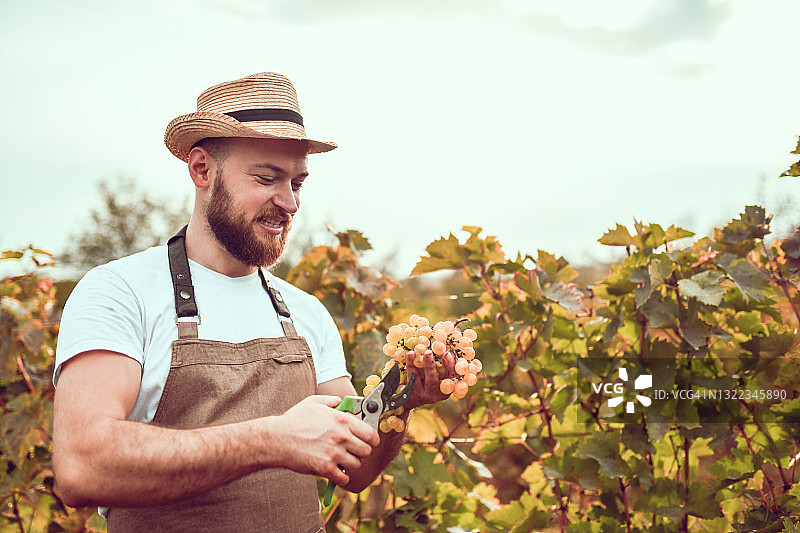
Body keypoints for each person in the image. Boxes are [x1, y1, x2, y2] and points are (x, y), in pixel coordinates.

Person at [52, 72, 457, 533]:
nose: (289, 202)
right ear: (201, 170)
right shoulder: (121, 292)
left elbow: (356, 469)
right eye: (268, 178)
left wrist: (403, 399)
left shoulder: (305, 312)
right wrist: (272, 439)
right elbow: (83, 466)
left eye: (298, 183)